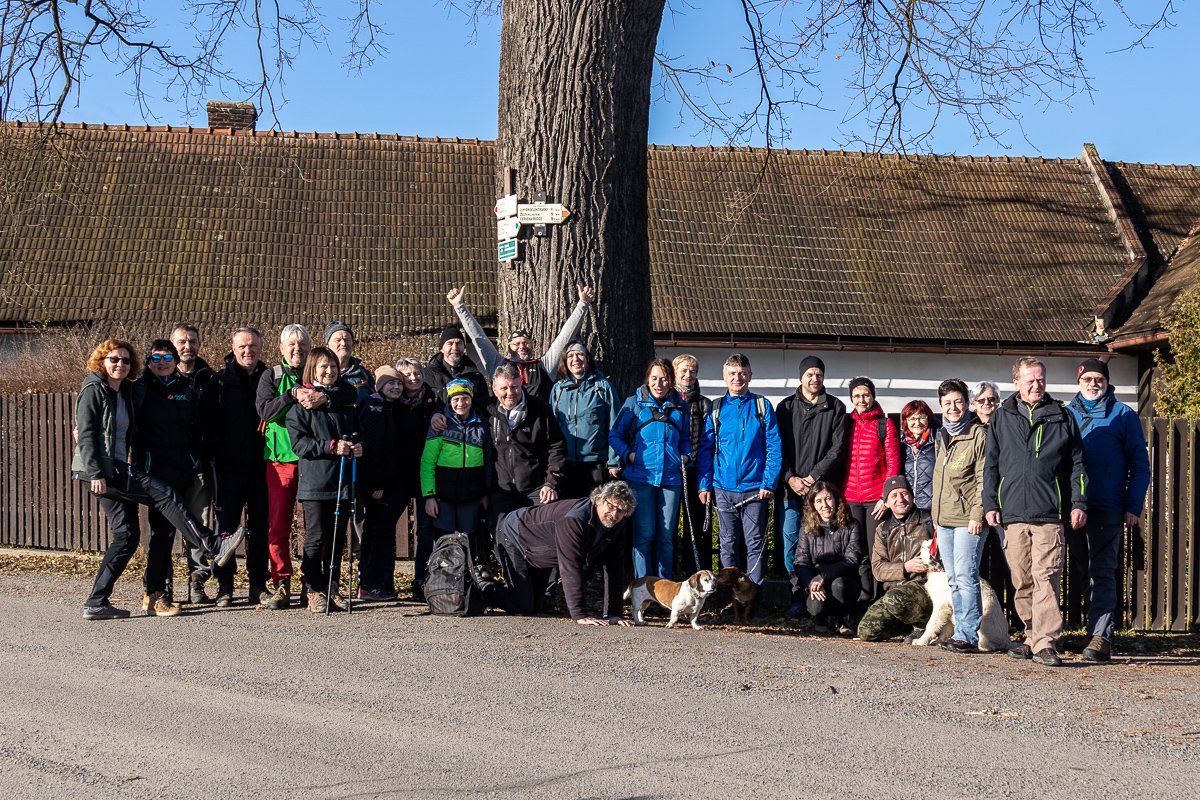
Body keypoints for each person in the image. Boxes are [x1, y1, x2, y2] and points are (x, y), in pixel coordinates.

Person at [74, 338, 243, 620]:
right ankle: (212, 545)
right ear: (101, 361)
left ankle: (96, 601)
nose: (120, 364)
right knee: (166, 495)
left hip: (118, 469)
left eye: (126, 360)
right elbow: (88, 432)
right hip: (107, 471)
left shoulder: (126, 390)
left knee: (127, 537)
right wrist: (96, 472)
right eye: (114, 359)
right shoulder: (95, 389)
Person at [984, 357, 1087, 667]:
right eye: (1029, 380)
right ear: (1016, 383)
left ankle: (1047, 641)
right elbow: (991, 465)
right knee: (1022, 579)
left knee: (1047, 576)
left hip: (1049, 513)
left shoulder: (1062, 417)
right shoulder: (1002, 417)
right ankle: (1031, 635)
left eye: (1040, 379)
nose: (1036, 385)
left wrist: (1079, 502)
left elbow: (1077, 465)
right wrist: (990, 503)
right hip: (1013, 513)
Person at [1067, 358, 1150, 662]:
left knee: (1102, 572)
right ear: (1079, 381)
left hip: (1108, 506)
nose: (1093, 383)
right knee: (1082, 570)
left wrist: (1132, 505)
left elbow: (1140, 465)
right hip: (1073, 507)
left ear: (1106, 382)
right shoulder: (1066, 414)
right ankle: (1091, 632)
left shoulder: (1123, 415)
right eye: (1087, 378)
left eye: (1098, 379)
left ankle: (1102, 636)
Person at [480, 481, 636, 625]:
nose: (614, 514)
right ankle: (482, 586)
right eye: (611, 506)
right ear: (598, 500)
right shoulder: (574, 520)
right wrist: (579, 614)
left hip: (543, 552)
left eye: (621, 510)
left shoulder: (616, 525)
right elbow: (571, 566)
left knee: (536, 607)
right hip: (515, 536)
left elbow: (614, 566)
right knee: (522, 606)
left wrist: (614, 614)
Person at [254, 324, 330, 610]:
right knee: (279, 525)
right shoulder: (271, 376)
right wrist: (291, 396)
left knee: (317, 527)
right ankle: (281, 581)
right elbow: (264, 411)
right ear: (282, 349)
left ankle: (312, 583)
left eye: (303, 345)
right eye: (292, 345)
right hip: (281, 459)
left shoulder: (320, 372)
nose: (298, 350)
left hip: (313, 459)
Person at [286, 347, 362, 613]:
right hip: (315, 482)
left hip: (341, 482)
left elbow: (355, 432)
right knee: (316, 537)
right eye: (323, 368)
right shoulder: (300, 408)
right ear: (312, 370)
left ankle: (333, 585)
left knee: (337, 538)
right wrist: (331, 446)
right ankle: (313, 589)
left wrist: (357, 446)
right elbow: (300, 444)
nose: (329, 372)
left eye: (333, 367)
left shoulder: (343, 404)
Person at [697, 353, 782, 590]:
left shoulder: (762, 405)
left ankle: (754, 596)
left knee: (755, 544)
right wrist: (704, 484)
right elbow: (706, 449)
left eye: (742, 373)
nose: (738, 378)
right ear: (725, 377)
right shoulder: (716, 408)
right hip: (723, 488)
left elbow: (774, 446)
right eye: (732, 374)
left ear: (750, 376)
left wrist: (769, 482)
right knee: (727, 544)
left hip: (755, 489)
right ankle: (728, 596)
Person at [199, 327, 270, 607]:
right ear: (233, 348)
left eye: (252, 346)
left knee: (260, 528)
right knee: (226, 529)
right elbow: (204, 422)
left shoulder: (269, 378)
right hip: (227, 469)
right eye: (242, 346)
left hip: (262, 467)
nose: (247, 351)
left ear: (260, 348)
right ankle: (225, 587)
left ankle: (257, 585)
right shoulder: (219, 382)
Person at [132, 339, 203, 617]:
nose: (163, 363)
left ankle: (155, 590)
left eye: (168, 358)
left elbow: (196, 428)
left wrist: (194, 459)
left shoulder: (185, 389)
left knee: (171, 532)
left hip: (180, 470)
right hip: (153, 473)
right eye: (157, 358)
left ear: (175, 361)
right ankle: (157, 593)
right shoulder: (140, 389)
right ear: (149, 361)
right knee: (161, 533)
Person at [358, 360, 437, 601]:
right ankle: (374, 583)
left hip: (422, 475)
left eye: (417, 373)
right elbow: (375, 447)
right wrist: (376, 483)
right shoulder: (378, 406)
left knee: (424, 532)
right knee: (380, 529)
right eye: (401, 378)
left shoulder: (431, 401)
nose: (411, 379)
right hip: (392, 479)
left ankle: (419, 583)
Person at [777, 354, 846, 617]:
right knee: (792, 543)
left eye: (818, 374)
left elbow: (837, 449)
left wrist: (814, 476)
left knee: (823, 544)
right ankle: (797, 595)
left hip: (822, 490)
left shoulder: (836, 408)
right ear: (801, 377)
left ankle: (820, 599)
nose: (814, 378)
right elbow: (776, 447)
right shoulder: (785, 408)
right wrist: (790, 478)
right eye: (809, 374)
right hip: (791, 490)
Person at [609, 359, 690, 579]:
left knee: (665, 537)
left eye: (663, 379)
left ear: (671, 381)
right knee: (644, 535)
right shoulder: (633, 403)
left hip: (671, 479)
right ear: (648, 379)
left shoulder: (680, 406)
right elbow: (615, 435)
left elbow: (685, 439)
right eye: (654, 378)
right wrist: (628, 454)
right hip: (641, 478)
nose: (658, 383)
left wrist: (685, 455)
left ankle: (664, 590)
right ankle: (644, 589)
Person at [446, 284, 595, 401]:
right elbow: (479, 338)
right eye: (516, 344)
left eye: (525, 342)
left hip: (538, 430)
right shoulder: (497, 364)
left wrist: (583, 304)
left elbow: (565, 337)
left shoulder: (545, 365)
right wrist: (460, 307)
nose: (521, 346)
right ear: (508, 346)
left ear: (533, 344)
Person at [931, 379, 990, 654]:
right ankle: (960, 630)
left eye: (958, 402)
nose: (953, 407)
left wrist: (978, 514)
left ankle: (968, 633)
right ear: (941, 406)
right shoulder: (941, 435)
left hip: (969, 519)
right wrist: (935, 515)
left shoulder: (978, 434)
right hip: (944, 519)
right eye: (947, 403)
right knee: (953, 578)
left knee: (967, 576)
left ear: (967, 403)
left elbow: (983, 479)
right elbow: (939, 480)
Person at [481, 363, 566, 537]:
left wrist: (551, 483)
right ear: (494, 389)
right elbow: (457, 407)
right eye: (504, 388)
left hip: (535, 487)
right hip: (501, 489)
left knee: (541, 535)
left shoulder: (539, 408)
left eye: (514, 387)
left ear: (521, 384)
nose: (510, 393)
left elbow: (556, 445)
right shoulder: (486, 410)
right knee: (501, 535)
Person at [843, 376, 899, 608]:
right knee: (858, 553)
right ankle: (862, 599)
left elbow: (893, 463)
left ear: (873, 396)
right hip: (850, 498)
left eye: (865, 394)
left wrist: (885, 497)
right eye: (856, 396)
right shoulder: (847, 424)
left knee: (877, 551)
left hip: (875, 499)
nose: (862, 399)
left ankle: (879, 600)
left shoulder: (884, 425)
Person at [856, 475, 934, 642]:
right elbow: (877, 569)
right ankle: (906, 626)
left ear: (912, 496)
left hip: (926, 589)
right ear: (886, 502)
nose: (900, 499)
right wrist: (905, 567)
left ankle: (925, 626)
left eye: (904, 493)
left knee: (895, 599)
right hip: (895, 593)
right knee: (866, 631)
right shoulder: (882, 529)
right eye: (894, 495)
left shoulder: (929, 521)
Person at [170, 321, 215, 602]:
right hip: (167, 463)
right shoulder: (158, 376)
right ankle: (160, 587)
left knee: (199, 521)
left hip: (199, 461)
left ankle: (197, 581)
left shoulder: (209, 377)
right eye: (182, 342)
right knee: (165, 525)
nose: (188, 346)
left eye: (193, 341)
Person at [420, 378, 493, 536]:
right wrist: (429, 496)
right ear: (449, 401)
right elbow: (427, 463)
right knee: (444, 541)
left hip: (471, 497)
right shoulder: (439, 424)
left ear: (471, 399)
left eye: (465, 398)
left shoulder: (481, 425)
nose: (461, 403)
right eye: (456, 399)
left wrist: (486, 492)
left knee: (468, 540)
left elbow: (488, 462)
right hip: (443, 497)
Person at [548, 342, 619, 500]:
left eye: (580, 354)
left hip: (596, 463)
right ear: (565, 361)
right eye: (570, 356)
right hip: (565, 464)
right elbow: (552, 429)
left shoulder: (602, 387)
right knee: (569, 512)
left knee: (596, 511)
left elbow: (615, 425)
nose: (576, 359)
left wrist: (614, 461)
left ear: (587, 359)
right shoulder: (558, 389)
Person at [791, 481, 862, 634]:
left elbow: (852, 559)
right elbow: (800, 561)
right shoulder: (807, 527)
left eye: (828, 499)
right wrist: (811, 582)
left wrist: (823, 576)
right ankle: (821, 618)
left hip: (844, 580)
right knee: (816, 606)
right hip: (816, 581)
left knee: (839, 585)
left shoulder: (852, 525)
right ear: (813, 505)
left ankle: (842, 619)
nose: (825, 505)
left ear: (836, 499)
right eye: (819, 501)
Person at [672, 354, 713, 574]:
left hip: (695, 473)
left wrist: (704, 482)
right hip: (670, 472)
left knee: (696, 529)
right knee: (668, 529)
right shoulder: (667, 400)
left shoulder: (703, 404)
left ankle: (696, 574)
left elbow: (707, 446)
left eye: (693, 371)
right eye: (684, 371)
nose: (689, 375)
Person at [424, 324, 488, 401]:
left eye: (459, 343)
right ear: (441, 349)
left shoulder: (475, 376)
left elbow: (484, 405)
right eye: (450, 344)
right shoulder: (427, 375)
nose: (455, 348)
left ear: (464, 347)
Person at [324, 321, 375, 405]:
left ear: (352, 344)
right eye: (338, 340)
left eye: (347, 339)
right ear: (327, 345)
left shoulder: (364, 375)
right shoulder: (318, 373)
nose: (343, 343)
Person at [899, 400, 937, 513]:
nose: (917, 422)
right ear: (905, 421)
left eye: (921, 418)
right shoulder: (901, 445)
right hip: (907, 507)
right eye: (912, 419)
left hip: (930, 507)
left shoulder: (937, 442)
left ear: (928, 419)